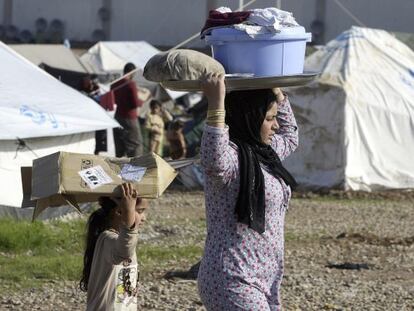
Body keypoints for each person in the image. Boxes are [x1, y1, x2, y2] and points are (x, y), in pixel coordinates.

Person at [198, 73, 298, 310]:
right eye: (269, 119)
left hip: (266, 277)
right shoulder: (231, 160)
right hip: (232, 277)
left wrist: (275, 89)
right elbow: (213, 157)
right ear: (250, 119)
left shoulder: (264, 153)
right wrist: (216, 102)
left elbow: (290, 136)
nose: (276, 125)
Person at [79, 183, 148, 311]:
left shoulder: (118, 238)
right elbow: (123, 251)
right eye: (139, 211)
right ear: (119, 212)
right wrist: (129, 215)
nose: (144, 218)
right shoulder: (108, 239)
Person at [112, 63, 144, 157]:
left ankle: (117, 166)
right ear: (132, 72)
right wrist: (142, 101)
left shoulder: (115, 84)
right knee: (135, 145)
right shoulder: (131, 84)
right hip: (129, 118)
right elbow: (134, 104)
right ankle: (135, 168)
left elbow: (114, 100)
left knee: (120, 144)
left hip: (117, 116)